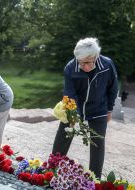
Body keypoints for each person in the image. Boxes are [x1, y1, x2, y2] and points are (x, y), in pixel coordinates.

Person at [51, 37, 118, 179]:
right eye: (80, 62)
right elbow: (69, 93)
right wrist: (72, 114)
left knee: (97, 142)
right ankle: (52, 169)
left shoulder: (107, 65)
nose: (83, 66)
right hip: (76, 106)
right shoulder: (70, 67)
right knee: (64, 134)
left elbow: (113, 88)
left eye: (87, 62)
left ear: (95, 57)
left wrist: (109, 109)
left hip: (99, 107)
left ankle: (94, 179)